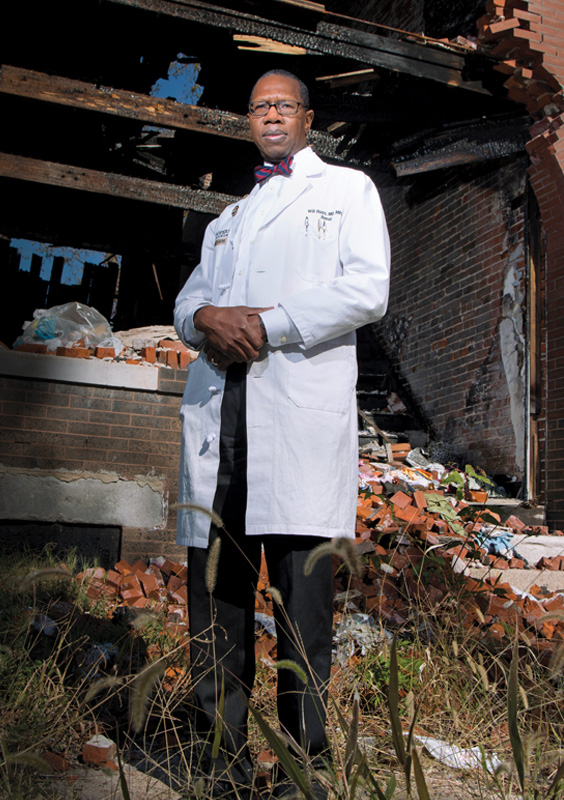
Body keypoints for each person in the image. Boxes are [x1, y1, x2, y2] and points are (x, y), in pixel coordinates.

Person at [173, 69, 390, 798]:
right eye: (258, 103)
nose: (270, 113)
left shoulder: (347, 191)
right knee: (219, 608)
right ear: (249, 120)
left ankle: (302, 775)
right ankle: (222, 767)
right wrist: (208, 320)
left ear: (307, 118)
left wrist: (265, 325)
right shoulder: (226, 221)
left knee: (302, 619)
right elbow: (187, 302)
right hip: (221, 431)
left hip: (294, 428)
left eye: (283, 104)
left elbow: (367, 289)